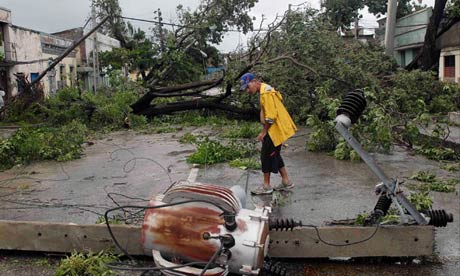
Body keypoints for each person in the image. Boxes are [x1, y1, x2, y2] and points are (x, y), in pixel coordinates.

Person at [240, 72, 297, 195]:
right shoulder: (265, 90)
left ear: (254, 81)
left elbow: (271, 117)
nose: (248, 91)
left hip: (273, 131)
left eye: (248, 87)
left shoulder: (266, 93)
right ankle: (286, 182)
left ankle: (266, 186)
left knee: (266, 156)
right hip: (275, 130)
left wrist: (263, 132)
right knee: (275, 154)